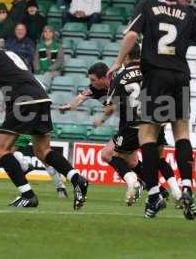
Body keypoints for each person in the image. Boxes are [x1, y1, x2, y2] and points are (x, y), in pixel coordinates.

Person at [107, 0, 196, 219]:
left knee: (148, 135)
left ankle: (154, 193)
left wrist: (118, 61)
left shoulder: (147, 6)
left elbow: (132, 34)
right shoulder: (187, 11)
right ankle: (187, 185)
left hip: (156, 75)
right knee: (181, 132)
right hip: (181, 75)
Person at [0, 28, 88, 209]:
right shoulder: (5, 52)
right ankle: (77, 178)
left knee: (0, 150)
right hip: (41, 96)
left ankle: (28, 194)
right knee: (42, 150)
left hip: (23, 100)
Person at [60, 59, 181, 206]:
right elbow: (81, 97)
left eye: (93, 80)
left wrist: (101, 120)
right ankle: (161, 190)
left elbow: (111, 108)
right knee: (133, 161)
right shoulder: (97, 88)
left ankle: (141, 185)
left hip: (133, 124)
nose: (91, 83)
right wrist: (69, 106)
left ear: (105, 77)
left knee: (107, 154)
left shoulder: (118, 80)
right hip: (149, 120)